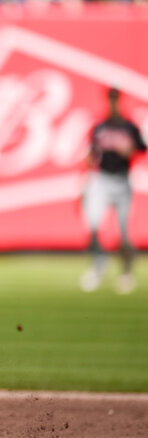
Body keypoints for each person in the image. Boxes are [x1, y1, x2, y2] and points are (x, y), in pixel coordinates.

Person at [79, 87, 146, 294]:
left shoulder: (129, 127)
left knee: (124, 233)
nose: (113, 103)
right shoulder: (100, 127)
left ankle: (126, 273)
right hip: (102, 180)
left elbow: (142, 147)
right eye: (111, 99)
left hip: (122, 181)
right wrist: (86, 179)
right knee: (93, 226)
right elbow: (92, 154)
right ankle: (98, 266)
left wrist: (131, 149)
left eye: (116, 99)